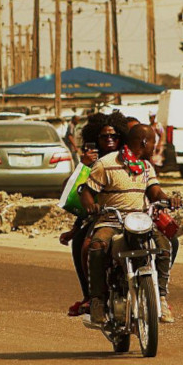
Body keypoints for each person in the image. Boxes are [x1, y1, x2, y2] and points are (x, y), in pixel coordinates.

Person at [81, 124, 181, 324]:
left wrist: (168, 199)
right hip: (112, 220)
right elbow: (85, 192)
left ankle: (160, 297)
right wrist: (91, 206)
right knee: (97, 246)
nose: (155, 146)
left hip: (140, 221)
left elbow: (154, 192)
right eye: (153, 141)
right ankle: (97, 300)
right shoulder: (105, 164)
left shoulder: (146, 166)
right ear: (144, 142)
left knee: (164, 246)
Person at [61, 111, 129, 317]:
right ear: (95, 138)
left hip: (132, 214)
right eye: (104, 136)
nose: (110, 139)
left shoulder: (129, 158)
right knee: (83, 246)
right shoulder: (91, 162)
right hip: (102, 216)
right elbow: (76, 194)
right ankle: (91, 296)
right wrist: (83, 165)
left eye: (114, 135)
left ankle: (158, 293)